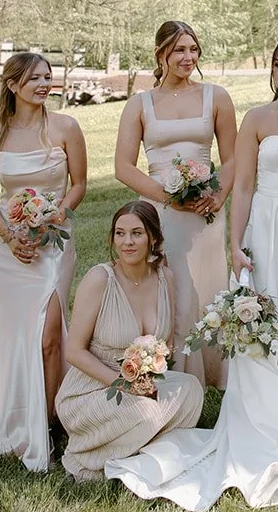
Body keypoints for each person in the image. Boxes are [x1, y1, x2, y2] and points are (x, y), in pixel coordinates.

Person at [106, 35, 278, 510]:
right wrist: (236, 244)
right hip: (269, 227)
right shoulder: (257, 118)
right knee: (270, 315)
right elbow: (244, 187)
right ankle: (269, 412)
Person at [0, 52, 87, 472]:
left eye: (47, 77)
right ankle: (16, 419)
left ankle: (54, 423)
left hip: (55, 241)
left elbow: (80, 184)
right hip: (6, 249)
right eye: (34, 78)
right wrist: (10, 235)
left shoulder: (66, 127)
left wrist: (56, 215)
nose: (43, 84)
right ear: (13, 85)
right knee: (13, 335)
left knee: (49, 335)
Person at [114, 20, 236, 388]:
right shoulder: (140, 104)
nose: (188, 57)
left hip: (205, 213)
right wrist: (168, 198)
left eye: (193, 49)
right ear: (161, 53)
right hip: (160, 212)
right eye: (179, 50)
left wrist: (217, 197)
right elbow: (122, 166)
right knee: (173, 296)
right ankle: (173, 381)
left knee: (206, 295)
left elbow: (233, 159)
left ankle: (214, 377)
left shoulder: (217, 97)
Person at [56, 201, 205, 479]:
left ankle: (137, 449)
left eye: (136, 233)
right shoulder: (100, 279)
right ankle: (91, 455)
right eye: (120, 233)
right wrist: (124, 383)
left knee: (191, 389)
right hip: (91, 390)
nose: (127, 242)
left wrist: (147, 378)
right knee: (146, 414)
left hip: (141, 383)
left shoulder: (165, 278)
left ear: (153, 238)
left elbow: (166, 344)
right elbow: (74, 352)